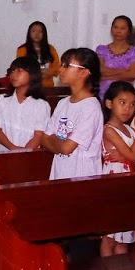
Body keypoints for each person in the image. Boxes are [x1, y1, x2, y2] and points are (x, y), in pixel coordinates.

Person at [40, 48, 104, 181]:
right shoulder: (62, 103)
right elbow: (44, 140)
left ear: (84, 72)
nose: (60, 69)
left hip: (81, 178)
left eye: (66, 65)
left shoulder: (91, 108)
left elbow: (66, 148)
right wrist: (61, 141)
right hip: (60, 174)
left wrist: (55, 139)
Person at [100, 81, 135, 256]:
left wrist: (128, 154)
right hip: (114, 183)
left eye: (133, 104)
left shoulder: (131, 131)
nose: (128, 109)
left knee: (124, 238)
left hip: (129, 183)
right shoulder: (109, 130)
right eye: (122, 102)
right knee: (110, 237)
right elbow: (134, 156)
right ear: (109, 103)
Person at [0, 57, 50, 153]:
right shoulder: (1, 100)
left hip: (29, 155)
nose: (14, 75)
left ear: (32, 74)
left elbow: (39, 134)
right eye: (12, 71)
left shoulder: (41, 105)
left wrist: (23, 153)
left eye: (19, 71)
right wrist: (13, 148)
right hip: (4, 153)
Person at [96, 15, 135, 98]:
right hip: (103, 94)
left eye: (122, 28)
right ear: (111, 29)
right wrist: (124, 71)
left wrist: (107, 76)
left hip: (124, 95)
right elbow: (101, 70)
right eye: (115, 27)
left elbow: (133, 74)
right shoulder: (101, 50)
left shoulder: (134, 52)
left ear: (129, 31)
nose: (118, 31)